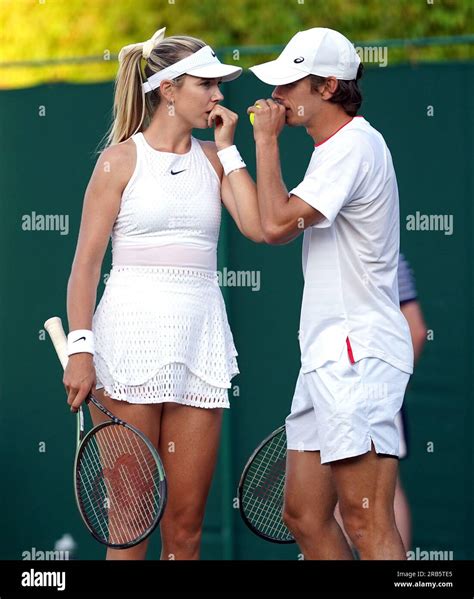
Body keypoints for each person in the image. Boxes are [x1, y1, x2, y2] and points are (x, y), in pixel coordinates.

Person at [63, 26, 261, 560]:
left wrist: (231, 149)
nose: (220, 96)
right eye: (208, 84)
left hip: (199, 345)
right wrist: (80, 348)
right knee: (130, 526)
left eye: (220, 86)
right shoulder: (118, 162)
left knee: (186, 529)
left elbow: (259, 225)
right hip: (127, 346)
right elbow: (84, 266)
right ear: (169, 90)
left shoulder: (218, 159)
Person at [248, 28, 414, 560]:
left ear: (327, 87)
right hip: (327, 355)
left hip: (357, 353)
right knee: (303, 513)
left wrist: (265, 141)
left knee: (366, 520)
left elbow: (275, 224)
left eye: (288, 85)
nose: (277, 97)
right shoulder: (331, 150)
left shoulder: (355, 145)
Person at [334, 253, 427, 553]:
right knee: (331, 495)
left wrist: (388, 386)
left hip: (371, 385)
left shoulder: (386, 257)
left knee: (381, 495)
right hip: (335, 386)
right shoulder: (327, 252)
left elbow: (416, 330)